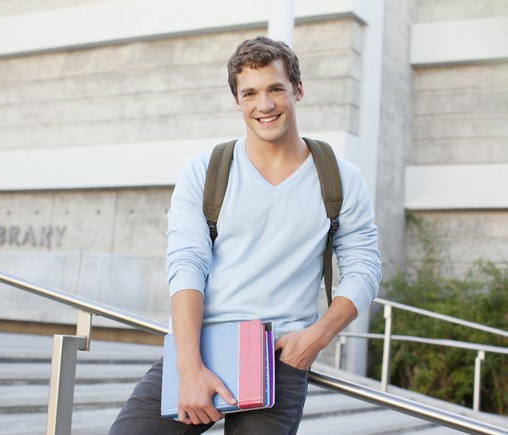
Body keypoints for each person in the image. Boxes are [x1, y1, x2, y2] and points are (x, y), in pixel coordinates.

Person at [109, 35, 381, 435]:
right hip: (200, 345)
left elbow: (364, 267)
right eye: (250, 93)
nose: (264, 105)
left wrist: (317, 337)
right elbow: (187, 263)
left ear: (298, 90)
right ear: (237, 101)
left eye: (276, 89)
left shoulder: (340, 178)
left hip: (279, 355)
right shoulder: (204, 171)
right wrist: (189, 366)